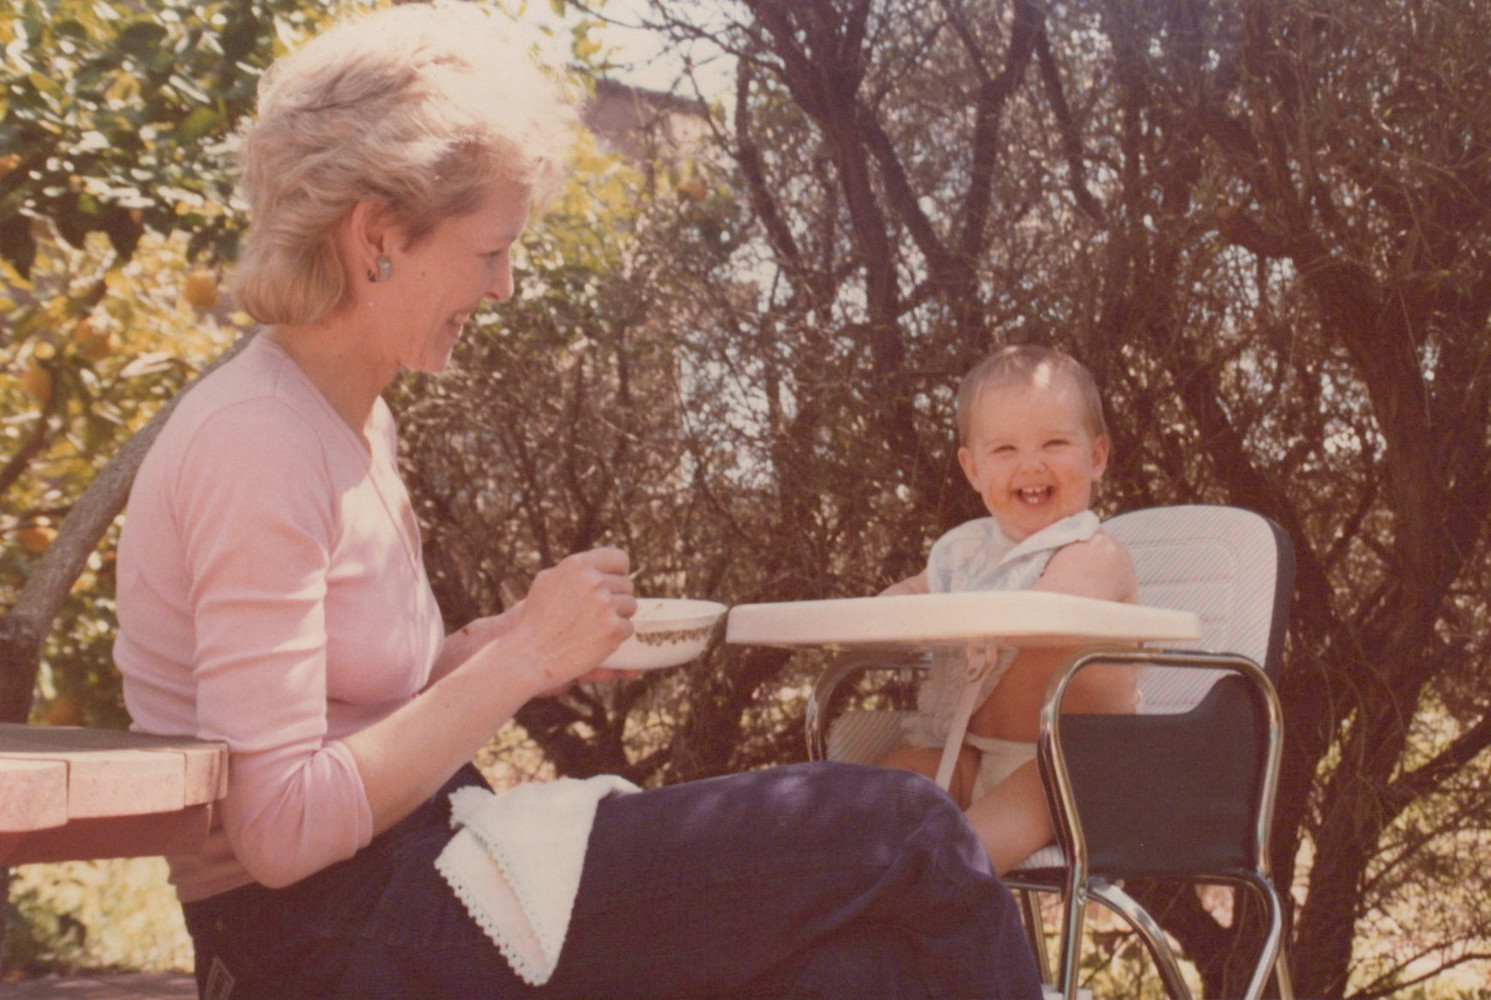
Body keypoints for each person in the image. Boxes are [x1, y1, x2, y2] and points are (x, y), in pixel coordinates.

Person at [112, 5, 1043, 998]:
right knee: (905, 824)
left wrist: (508, 644)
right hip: (323, 934)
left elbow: (355, 708)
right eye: (489, 250)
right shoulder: (255, 441)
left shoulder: (351, 421)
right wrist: (516, 662)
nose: (504, 286)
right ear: (377, 235)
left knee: (862, 973)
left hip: (409, 874)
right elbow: (279, 829)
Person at [878, 345, 1139, 876]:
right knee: (886, 785)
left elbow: (1046, 612)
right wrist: (890, 610)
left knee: (960, 856)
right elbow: (911, 593)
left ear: (1096, 457)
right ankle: (846, 883)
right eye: (1004, 449)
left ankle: (935, 889)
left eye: (1054, 443)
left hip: (1066, 765)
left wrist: (958, 618)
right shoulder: (965, 552)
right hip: (968, 749)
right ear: (973, 469)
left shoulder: (1093, 553)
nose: (1031, 464)